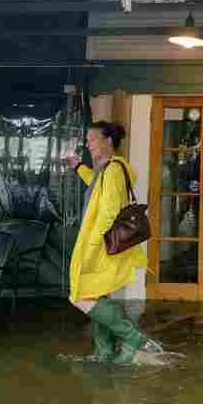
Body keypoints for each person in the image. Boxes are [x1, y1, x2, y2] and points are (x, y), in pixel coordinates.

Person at [66, 121, 153, 365]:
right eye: (88, 140)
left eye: (92, 140)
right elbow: (97, 186)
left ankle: (132, 337)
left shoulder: (113, 169)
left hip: (100, 243)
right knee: (96, 295)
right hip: (102, 241)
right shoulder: (109, 170)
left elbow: (108, 210)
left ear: (108, 141)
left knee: (81, 295)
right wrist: (78, 167)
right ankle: (104, 351)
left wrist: (93, 245)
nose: (88, 144)